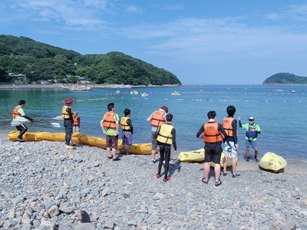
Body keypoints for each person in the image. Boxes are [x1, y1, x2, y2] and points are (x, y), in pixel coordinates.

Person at [196, 111, 226, 186]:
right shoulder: (218, 125)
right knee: (217, 163)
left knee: (207, 162)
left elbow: (198, 135)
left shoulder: (204, 125)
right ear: (215, 117)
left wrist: (204, 136)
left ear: (208, 117)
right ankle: (217, 180)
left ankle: (206, 179)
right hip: (217, 146)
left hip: (208, 146)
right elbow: (225, 135)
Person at [155, 113, 177, 182]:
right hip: (167, 146)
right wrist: (175, 148)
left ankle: (158, 174)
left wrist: (157, 144)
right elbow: (173, 140)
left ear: (165, 119)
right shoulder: (173, 128)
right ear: (172, 119)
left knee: (161, 159)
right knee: (167, 161)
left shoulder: (162, 126)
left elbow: (156, 135)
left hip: (161, 145)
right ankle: (165, 177)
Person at [222, 105, 239, 178]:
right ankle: (234, 173)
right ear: (234, 112)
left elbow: (222, 130)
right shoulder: (234, 120)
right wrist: (236, 143)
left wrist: (223, 139)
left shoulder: (224, 119)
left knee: (226, 155)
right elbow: (234, 132)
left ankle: (225, 171)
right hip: (232, 140)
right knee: (234, 157)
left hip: (225, 140)